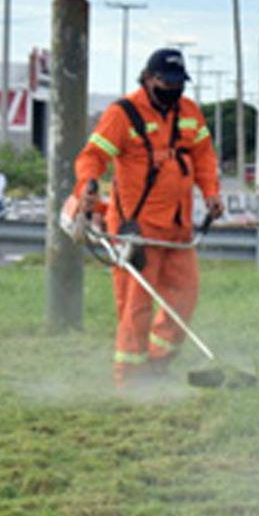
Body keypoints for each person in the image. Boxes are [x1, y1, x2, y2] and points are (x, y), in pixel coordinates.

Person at [73, 48, 223, 387]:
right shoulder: (123, 114)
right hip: (136, 229)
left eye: (178, 81)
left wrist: (211, 192)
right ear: (149, 78)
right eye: (167, 81)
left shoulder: (189, 112)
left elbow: (203, 157)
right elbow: (93, 156)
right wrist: (90, 184)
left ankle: (158, 363)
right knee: (136, 307)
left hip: (178, 226)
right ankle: (129, 378)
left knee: (184, 297)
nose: (174, 87)